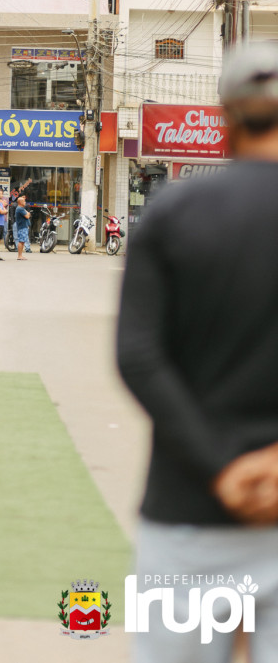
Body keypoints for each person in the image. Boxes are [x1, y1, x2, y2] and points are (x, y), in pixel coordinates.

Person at [117, 41, 278, 662]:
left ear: (226, 115)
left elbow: (137, 356)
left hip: (186, 514)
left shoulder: (173, 212)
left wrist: (221, 468)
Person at [14, 195, 31, 260]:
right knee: (21, 241)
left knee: (23, 241)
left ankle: (21, 255)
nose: (25, 202)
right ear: (20, 202)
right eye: (24, 201)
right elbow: (27, 216)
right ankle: (19, 256)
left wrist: (28, 213)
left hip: (24, 226)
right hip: (22, 227)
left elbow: (28, 213)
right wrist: (28, 214)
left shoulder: (22, 208)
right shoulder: (20, 209)